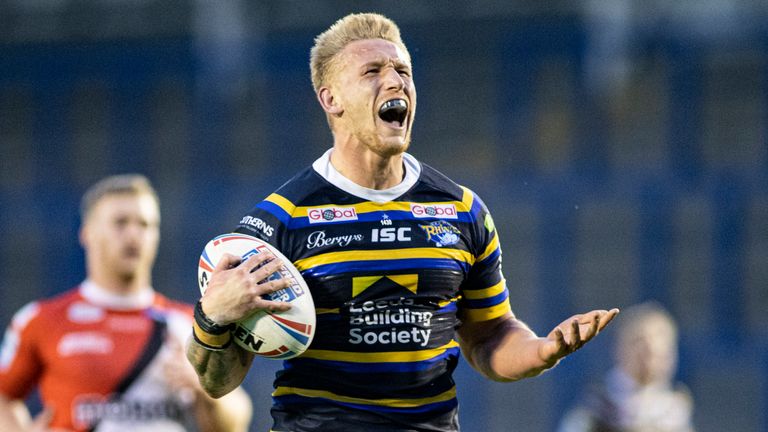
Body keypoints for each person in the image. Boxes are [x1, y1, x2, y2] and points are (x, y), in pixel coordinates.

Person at [186, 12, 620, 432]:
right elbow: (217, 382)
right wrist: (212, 318)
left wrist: (540, 350)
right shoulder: (280, 221)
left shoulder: (463, 210)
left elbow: (489, 336)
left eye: (403, 71)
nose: (395, 82)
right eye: (372, 71)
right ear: (330, 98)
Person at [0, 174, 252, 432]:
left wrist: (203, 389)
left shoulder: (190, 323)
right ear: (87, 233)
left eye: (145, 225)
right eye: (120, 223)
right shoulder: (41, 320)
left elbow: (235, 422)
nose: (134, 234)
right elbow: (3, 398)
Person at [557, 301, 695, 432]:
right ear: (620, 348)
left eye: (659, 350)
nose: (649, 357)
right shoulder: (597, 408)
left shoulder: (675, 411)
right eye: (639, 345)